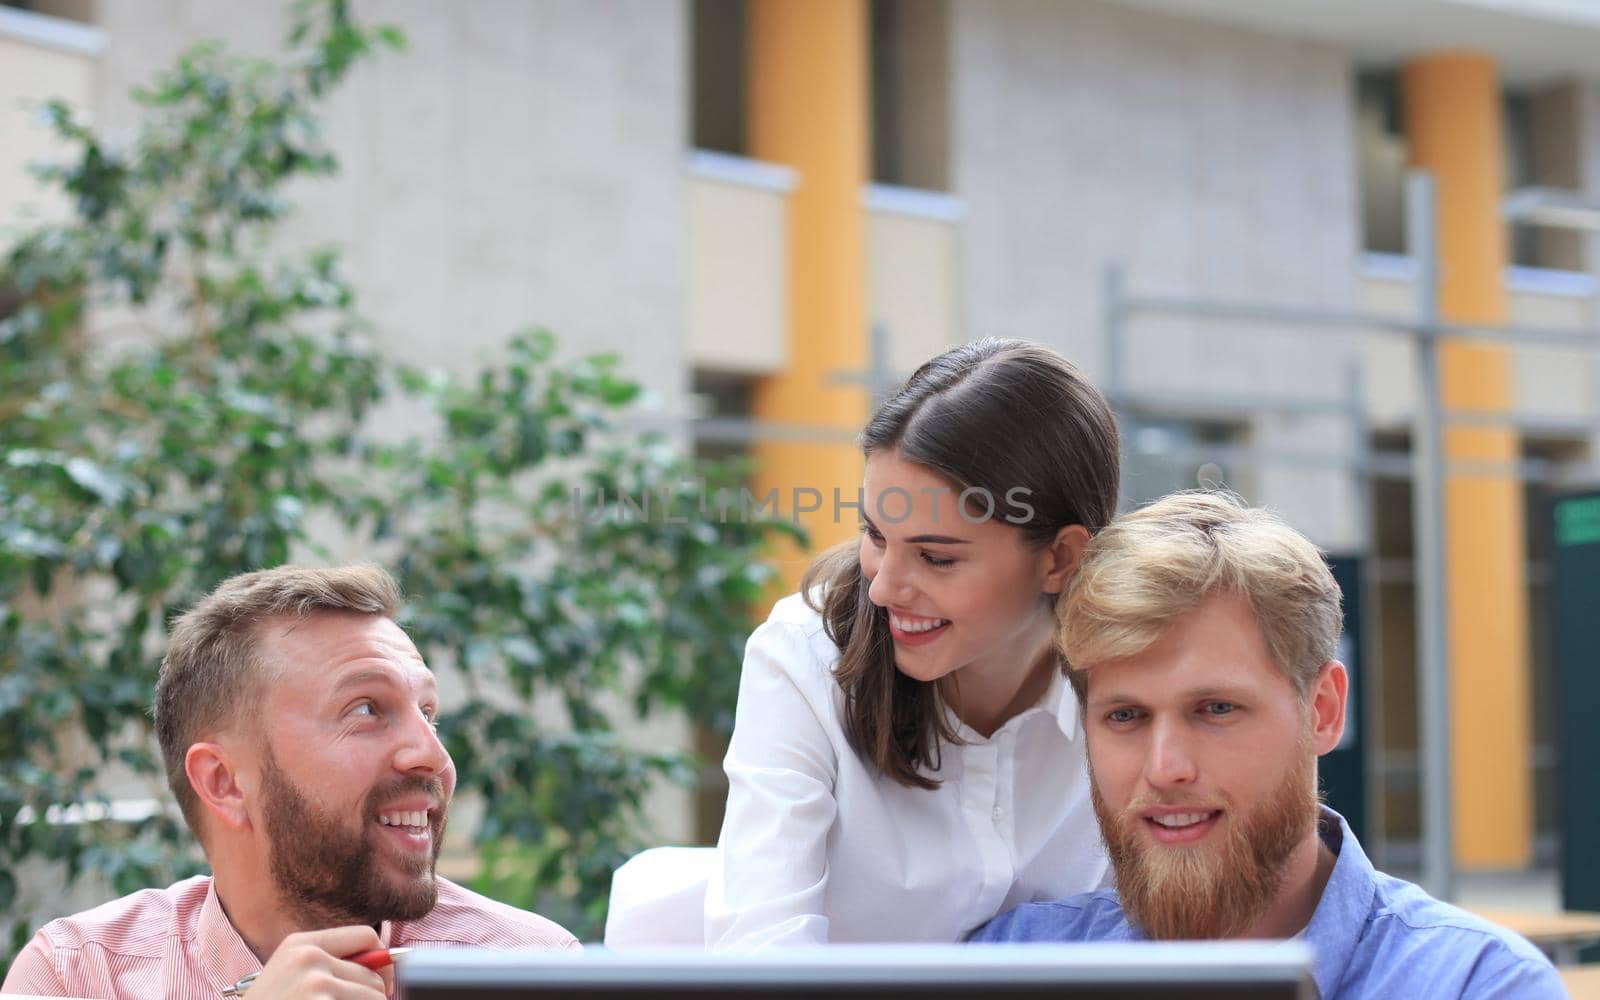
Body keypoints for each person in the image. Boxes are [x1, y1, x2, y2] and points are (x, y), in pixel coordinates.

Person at [970, 491, 1564, 998]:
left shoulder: (1474, 985)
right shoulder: (1012, 969)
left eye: (1216, 709)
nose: (1165, 768)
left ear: (1323, 710)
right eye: (1125, 716)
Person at [704, 338, 1122, 948]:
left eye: (935, 557)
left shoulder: (1138, 679)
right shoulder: (802, 659)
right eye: (875, 535)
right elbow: (760, 953)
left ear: (1059, 558)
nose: (885, 589)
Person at [3, 565, 578, 1000]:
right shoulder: (81, 974)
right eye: (366, 710)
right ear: (224, 781)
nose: (433, 755)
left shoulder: (530, 969)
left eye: (428, 714)